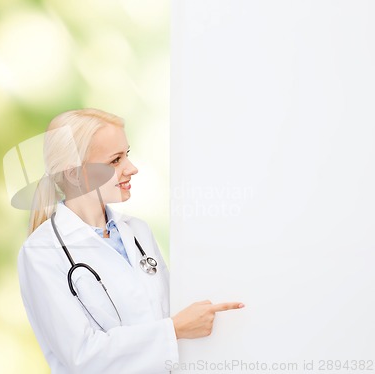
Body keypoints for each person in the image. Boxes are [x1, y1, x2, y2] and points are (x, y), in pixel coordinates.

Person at [17, 108, 245, 374]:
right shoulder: (41, 252)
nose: (132, 168)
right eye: (115, 160)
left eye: (127, 155)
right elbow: (82, 356)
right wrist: (175, 329)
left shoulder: (137, 231)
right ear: (74, 174)